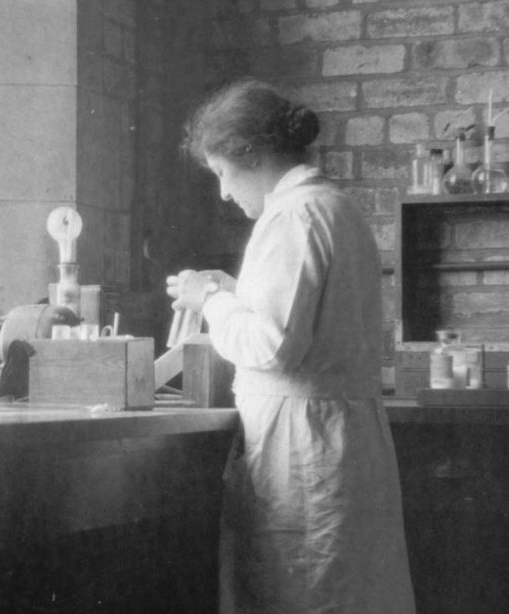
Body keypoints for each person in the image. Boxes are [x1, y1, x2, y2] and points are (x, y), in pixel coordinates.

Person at [167, 78, 416, 614]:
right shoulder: (334, 206)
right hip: (334, 438)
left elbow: (272, 345)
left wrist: (209, 298)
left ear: (251, 153)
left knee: (308, 595)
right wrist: (233, 292)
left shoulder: (294, 215)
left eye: (222, 173)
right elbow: (306, 320)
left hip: (306, 448)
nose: (223, 193)